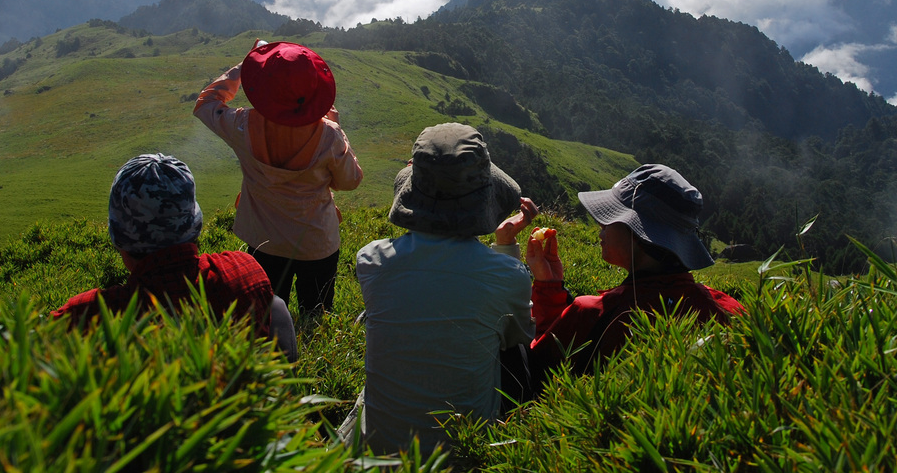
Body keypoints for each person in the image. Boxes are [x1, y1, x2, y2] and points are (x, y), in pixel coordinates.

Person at [351, 123, 535, 455]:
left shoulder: (371, 261)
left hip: (378, 451)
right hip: (462, 453)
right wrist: (505, 247)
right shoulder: (507, 274)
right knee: (514, 348)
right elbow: (516, 337)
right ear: (485, 198)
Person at [53, 153, 297, 361]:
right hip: (240, 400)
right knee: (276, 306)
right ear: (194, 225)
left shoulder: (83, 316)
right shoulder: (242, 271)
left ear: (119, 237)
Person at [519, 164, 744, 388]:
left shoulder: (594, 313)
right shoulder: (730, 312)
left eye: (610, 217)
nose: (601, 226)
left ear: (636, 232)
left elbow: (537, 371)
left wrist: (547, 288)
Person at [195, 41, 363, 314]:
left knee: (268, 315)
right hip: (316, 242)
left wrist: (244, 66)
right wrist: (336, 128)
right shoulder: (329, 135)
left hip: (264, 241)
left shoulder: (241, 125)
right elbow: (350, 181)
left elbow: (206, 103)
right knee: (316, 315)